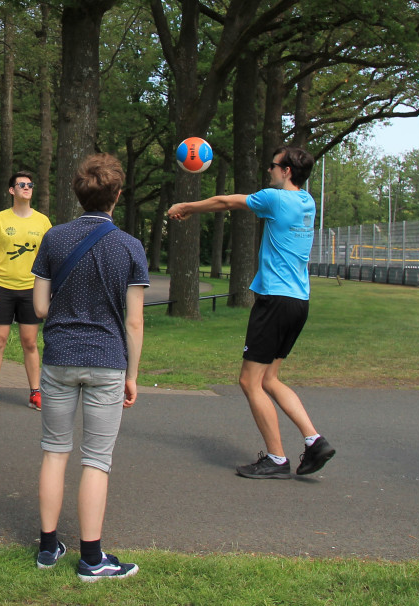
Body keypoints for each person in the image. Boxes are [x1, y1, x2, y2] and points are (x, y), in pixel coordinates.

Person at [167, 144, 336, 479]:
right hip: (298, 302)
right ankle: (315, 441)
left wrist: (187, 206)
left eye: (273, 166)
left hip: (274, 301)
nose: (269, 171)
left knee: (249, 381)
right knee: (270, 379)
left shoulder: (276, 199)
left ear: (287, 171)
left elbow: (226, 201)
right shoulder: (307, 202)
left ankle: (276, 459)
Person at [30, 153, 148, 581]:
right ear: (117, 195)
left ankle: (47, 548)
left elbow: (40, 306)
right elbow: (134, 321)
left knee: (54, 452)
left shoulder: (54, 238)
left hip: (59, 358)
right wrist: (132, 375)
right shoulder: (130, 246)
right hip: (107, 363)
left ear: (78, 194)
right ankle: (92, 559)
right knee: (96, 460)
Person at [0, 170, 52, 411]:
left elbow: (49, 257)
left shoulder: (42, 221)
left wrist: (49, 287)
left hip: (31, 288)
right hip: (1, 287)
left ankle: (35, 393)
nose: (27, 187)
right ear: (12, 190)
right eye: (21, 184)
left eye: (30, 184)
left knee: (30, 342)